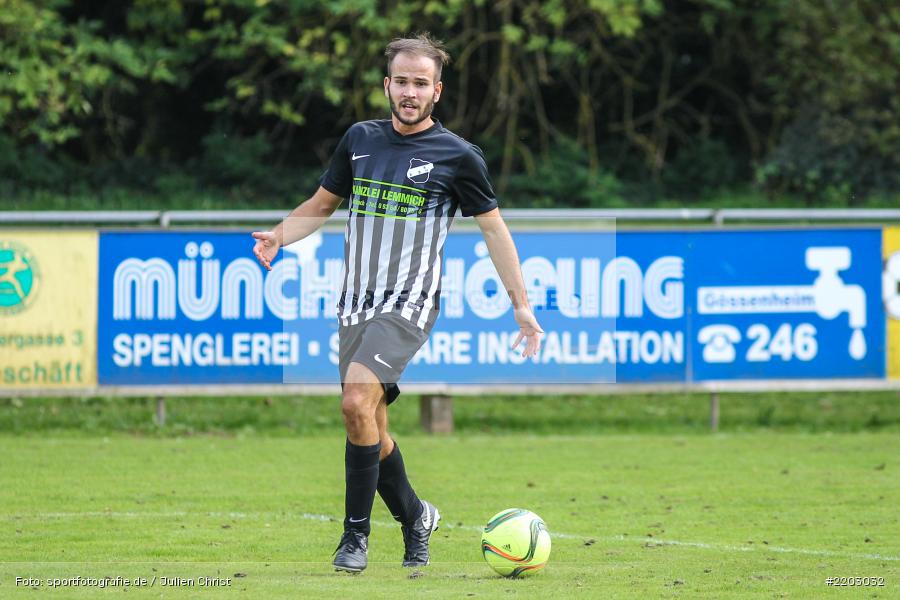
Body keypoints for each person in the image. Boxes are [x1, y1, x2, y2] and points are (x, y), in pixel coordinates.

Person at [251, 33, 543, 573]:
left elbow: (495, 232)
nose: (410, 92)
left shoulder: (458, 156)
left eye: (421, 84)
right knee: (370, 427)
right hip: (354, 303)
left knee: (354, 404)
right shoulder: (360, 139)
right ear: (388, 85)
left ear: (438, 91)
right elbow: (321, 204)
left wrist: (520, 304)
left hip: (409, 304)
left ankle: (354, 539)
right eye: (402, 82)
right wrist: (278, 235)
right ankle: (416, 517)